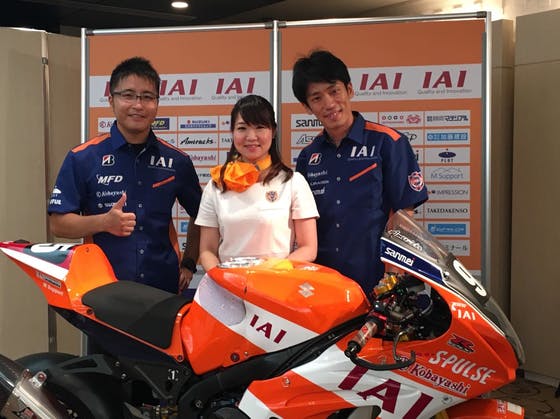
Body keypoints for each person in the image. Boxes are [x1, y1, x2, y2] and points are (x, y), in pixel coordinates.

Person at [48, 56, 202, 294]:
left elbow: (203, 215)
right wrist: (103, 222)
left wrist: (189, 262)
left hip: (163, 289)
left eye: (147, 97)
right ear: (111, 99)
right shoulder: (83, 158)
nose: (138, 105)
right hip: (102, 288)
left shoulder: (177, 161)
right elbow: (58, 224)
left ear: (157, 103)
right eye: (128, 95)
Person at [292, 49, 428, 295]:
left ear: (349, 90)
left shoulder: (388, 143)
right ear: (307, 107)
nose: (329, 104)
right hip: (323, 284)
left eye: (334, 91)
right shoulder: (308, 156)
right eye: (317, 98)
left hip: (377, 281)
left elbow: (403, 215)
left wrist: (392, 277)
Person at [196, 94, 318, 271]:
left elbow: (308, 248)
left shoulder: (293, 182)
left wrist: (273, 272)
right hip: (228, 284)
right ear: (232, 132)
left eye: (260, 127)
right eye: (242, 128)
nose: (251, 136)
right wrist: (223, 279)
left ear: (273, 132)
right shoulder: (216, 185)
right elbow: (207, 251)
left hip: (278, 281)